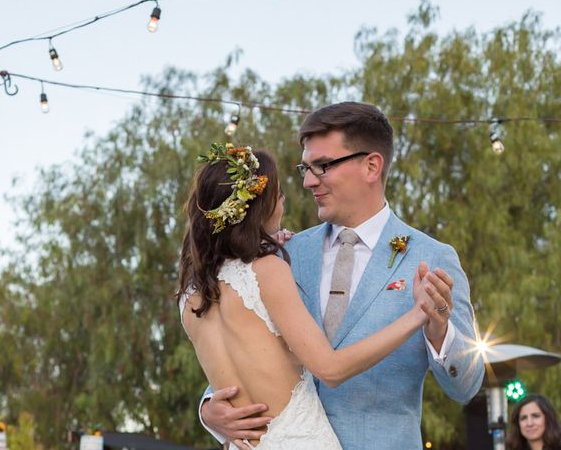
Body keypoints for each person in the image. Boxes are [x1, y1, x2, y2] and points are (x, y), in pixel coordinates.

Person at [200, 102, 485, 449]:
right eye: (305, 167)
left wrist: (439, 330)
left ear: (371, 166)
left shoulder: (432, 258)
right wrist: (210, 407)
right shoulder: (280, 255)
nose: (307, 181)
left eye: (322, 166)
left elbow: (466, 385)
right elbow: (243, 343)